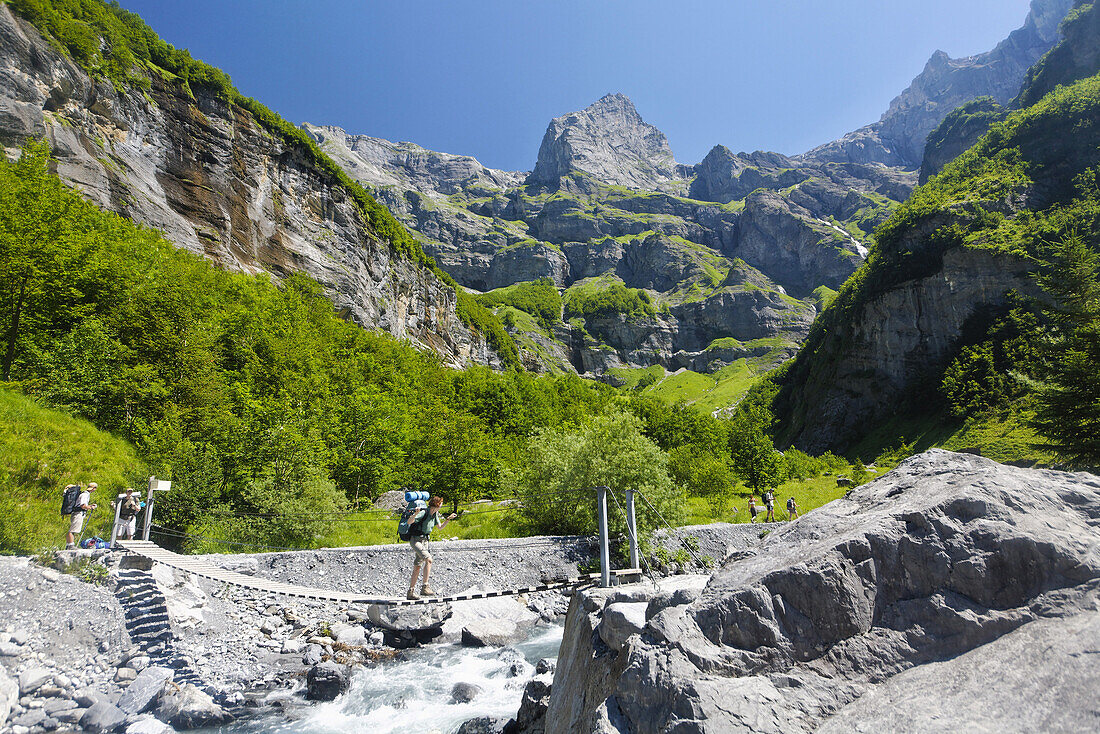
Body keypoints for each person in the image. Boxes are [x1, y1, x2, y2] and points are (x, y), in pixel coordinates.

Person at [406, 496, 457, 600]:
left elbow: (440, 527)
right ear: (437, 504)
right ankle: (425, 587)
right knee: (429, 559)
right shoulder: (424, 512)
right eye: (441, 503)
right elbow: (409, 522)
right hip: (416, 540)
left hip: (425, 541)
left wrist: (448, 519)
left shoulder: (435, 515)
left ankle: (410, 592)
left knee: (417, 566)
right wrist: (415, 514)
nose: (442, 505)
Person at [66, 482, 98, 549]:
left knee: (74, 529)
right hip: (78, 513)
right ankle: (70, 545)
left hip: (77, 513)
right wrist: (90, 507)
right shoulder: (85, 495)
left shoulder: (85, 494)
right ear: (93, 488)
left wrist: (89, 506)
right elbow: (83, 506)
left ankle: (70, 545)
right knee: (72, 530)